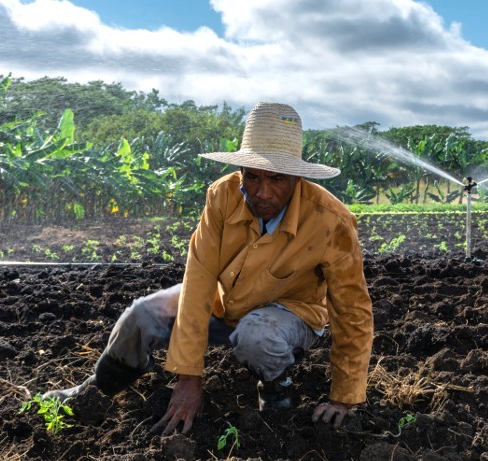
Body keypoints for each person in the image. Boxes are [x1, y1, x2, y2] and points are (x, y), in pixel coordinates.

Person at [43, 102, 373, 435]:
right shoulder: (222, 196)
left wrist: (343, 398)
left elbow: (353, 311)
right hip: (224, 302)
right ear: (241, 170)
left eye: (277, 179)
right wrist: (189, 377)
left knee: (256, 336)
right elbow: (198, 280)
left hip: (289, 315)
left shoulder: (331, 221)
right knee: (140, 315)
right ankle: (99, 388)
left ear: (296, 177)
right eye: (253, 176)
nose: (263, 192)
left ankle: (277, 390)